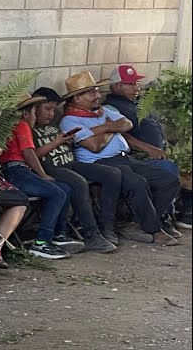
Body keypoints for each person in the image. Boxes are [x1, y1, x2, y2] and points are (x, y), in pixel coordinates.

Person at [59, 71, 180, 245]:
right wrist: (110, 126)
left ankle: (138, 224)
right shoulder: (69, 121)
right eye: (92, 92)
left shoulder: (103, 111)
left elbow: (126, 124)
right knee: (136, 182)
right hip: (101, 163)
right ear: (77, 98)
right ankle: (154, 229)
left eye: (97, 91)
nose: (98, 96)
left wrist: (103, 129)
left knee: (169, 180)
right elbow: (94, 146)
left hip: (123, 158)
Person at [31, 87, 127, 247]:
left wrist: (66, 142)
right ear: (34, 109)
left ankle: (106, 225)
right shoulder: (29, 129)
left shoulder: (53, 126)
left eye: (54, 110)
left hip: (71, 162)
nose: (51, 114)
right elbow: (32, 155)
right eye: (47, 109)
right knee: (78, 182)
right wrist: (57, 142)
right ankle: (92, 234)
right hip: (51, 168)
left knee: (112, 173)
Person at [101, 64, 190, 229]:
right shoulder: (110, 108)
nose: (136, 87)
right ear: (115, 86)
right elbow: (119, 134)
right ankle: (154, 220)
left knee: (186, 165)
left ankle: (183, 214)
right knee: (167, 170)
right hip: (135, 157)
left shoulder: (137, 103)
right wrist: (148, 149)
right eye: (130, 84)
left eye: (136, 83)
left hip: (156, 154)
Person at [0, 94, 72, 259]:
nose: (35, 118)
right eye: (34, 113)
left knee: (63, 189)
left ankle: (58, 234)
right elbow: (28, 153)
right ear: (25, 114)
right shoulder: (22, 125)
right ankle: (42, 242)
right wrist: (43, 175)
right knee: (58, 193)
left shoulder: (8, 128)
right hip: (17, 171)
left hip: (15, 171)